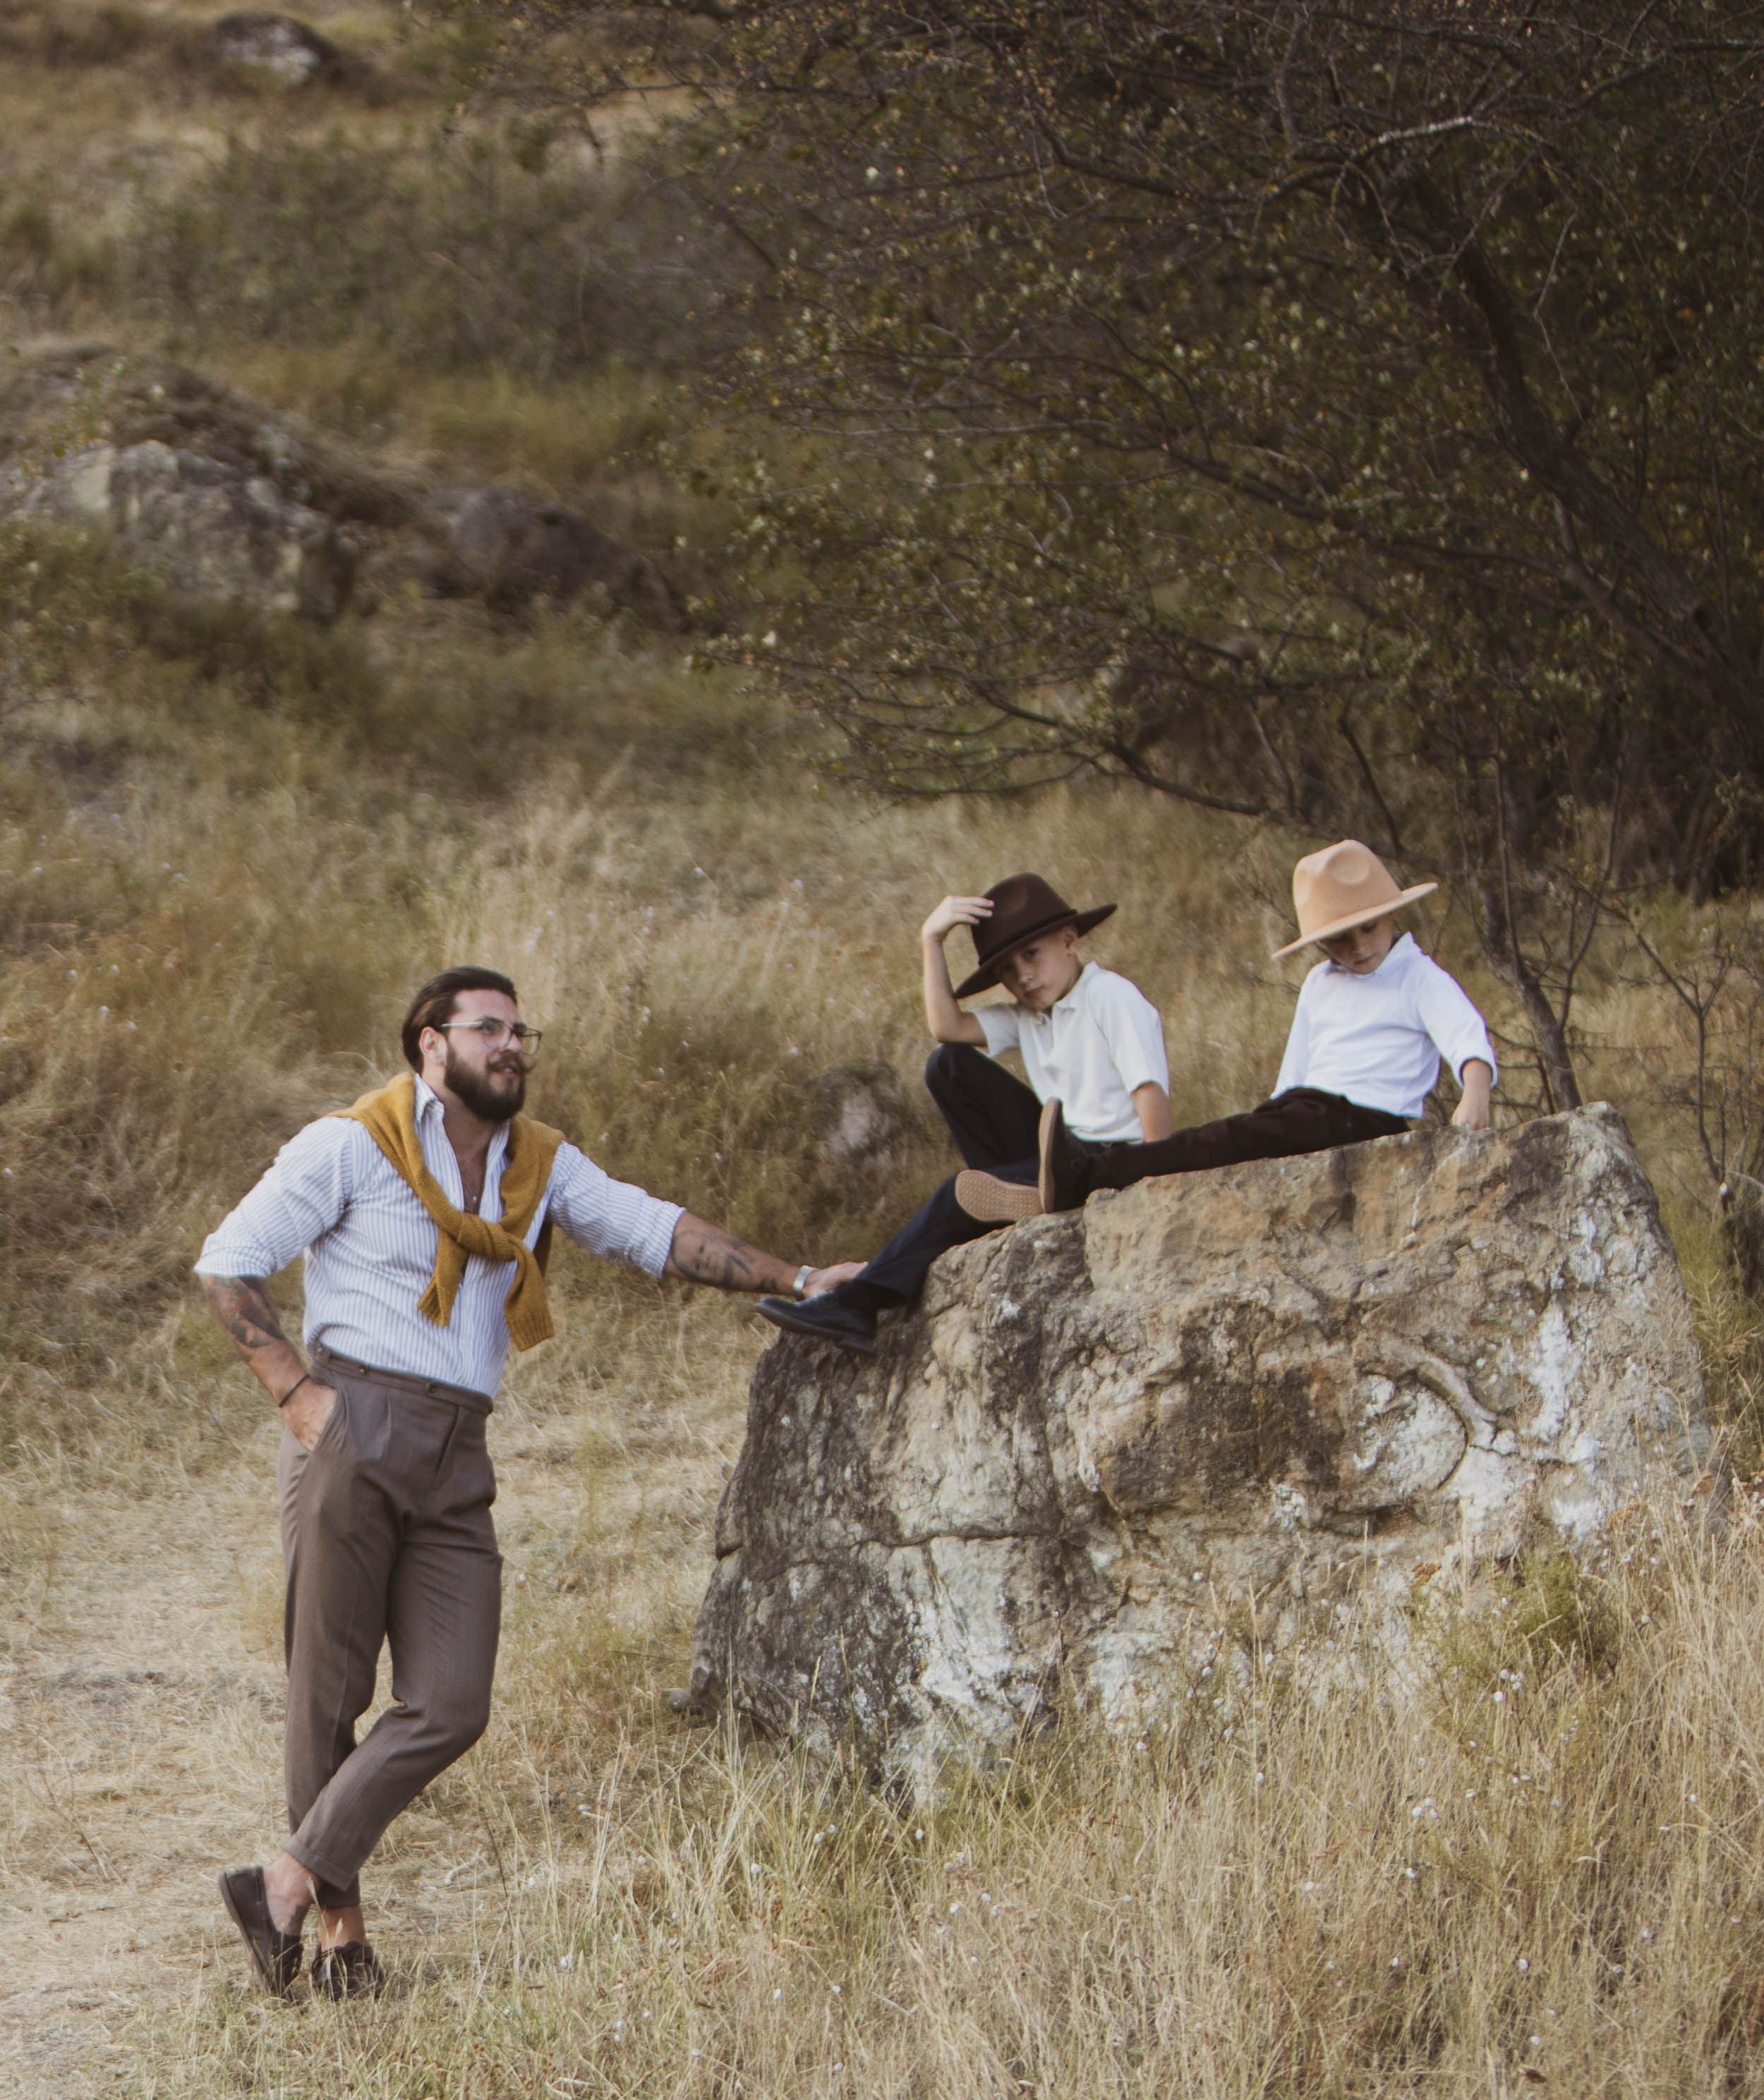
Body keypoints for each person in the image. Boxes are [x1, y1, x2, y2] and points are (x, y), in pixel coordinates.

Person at [195, 964, 857, 2001]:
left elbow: (655, 1228)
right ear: (431, 1045)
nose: (512, 1045)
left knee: (452, 1700)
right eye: (488, 1028)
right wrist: (295, 1393)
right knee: (328, 1689)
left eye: (520, 1032)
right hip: (354, 1419)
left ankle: (279, 1881)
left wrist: (798, 1277)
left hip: (460, 1442)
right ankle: (341, 1938)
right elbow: (228, 1260)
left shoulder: (539, 1165)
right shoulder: (353, 1143)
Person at [956, 841, 1497, 1222]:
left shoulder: (1418, 975)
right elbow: (1296, 1071)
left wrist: (1474, 1095)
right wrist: (1273, 1115)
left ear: (1392, 915)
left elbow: (1466, 1037)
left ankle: (1084, 1175)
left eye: (1369, 927)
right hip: (1310, 1108)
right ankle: (1076, 1179)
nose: (1358, 946)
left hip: (1367, 1117)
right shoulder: (1320, 982)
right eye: (1338, 939)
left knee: (1222, 1142)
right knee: (1224, 1139)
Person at [756, 872, 1170, 1352]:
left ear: (1070, 939)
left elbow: (1149, 1092)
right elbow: (946, 1026)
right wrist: (930, 939)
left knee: (957, 1193)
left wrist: (1155, 1186)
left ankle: (860, 1304)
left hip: (1110, 1160)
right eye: (1008, 970)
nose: (1023, 977)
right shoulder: (1030, 1015)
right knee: (948, 1065)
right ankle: (1018, 1190)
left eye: (1031, 955)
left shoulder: (1110, 996)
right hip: (1057, 1152)